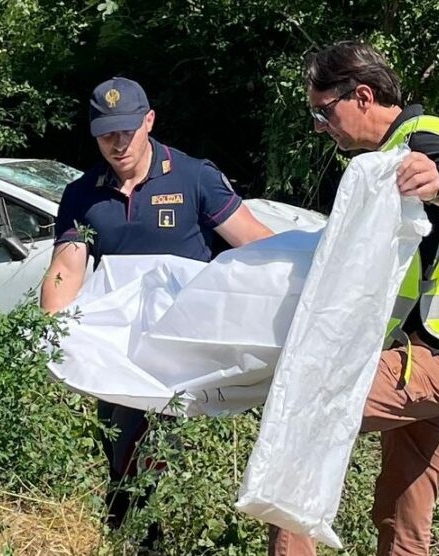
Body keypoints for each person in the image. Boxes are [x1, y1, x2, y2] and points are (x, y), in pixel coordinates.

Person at [268, 41, 439, 556]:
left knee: (303, 422)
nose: (319, 126)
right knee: (404, 521)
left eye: (323, 111)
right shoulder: (387, 157)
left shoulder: (423, 141)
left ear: (361, 95)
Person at [39, 77, 274, 547]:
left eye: (127, 130)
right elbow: (67, 268)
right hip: (122, 354)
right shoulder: (82, 195)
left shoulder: (194, 178)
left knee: (174, 453)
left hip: (191, 350)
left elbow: (257, 245)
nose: (118, 143)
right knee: (121, 449)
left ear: (149, 122)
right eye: (107, 134)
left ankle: (184, 534)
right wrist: (48, 333)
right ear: (93, 132)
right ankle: (132, 538)